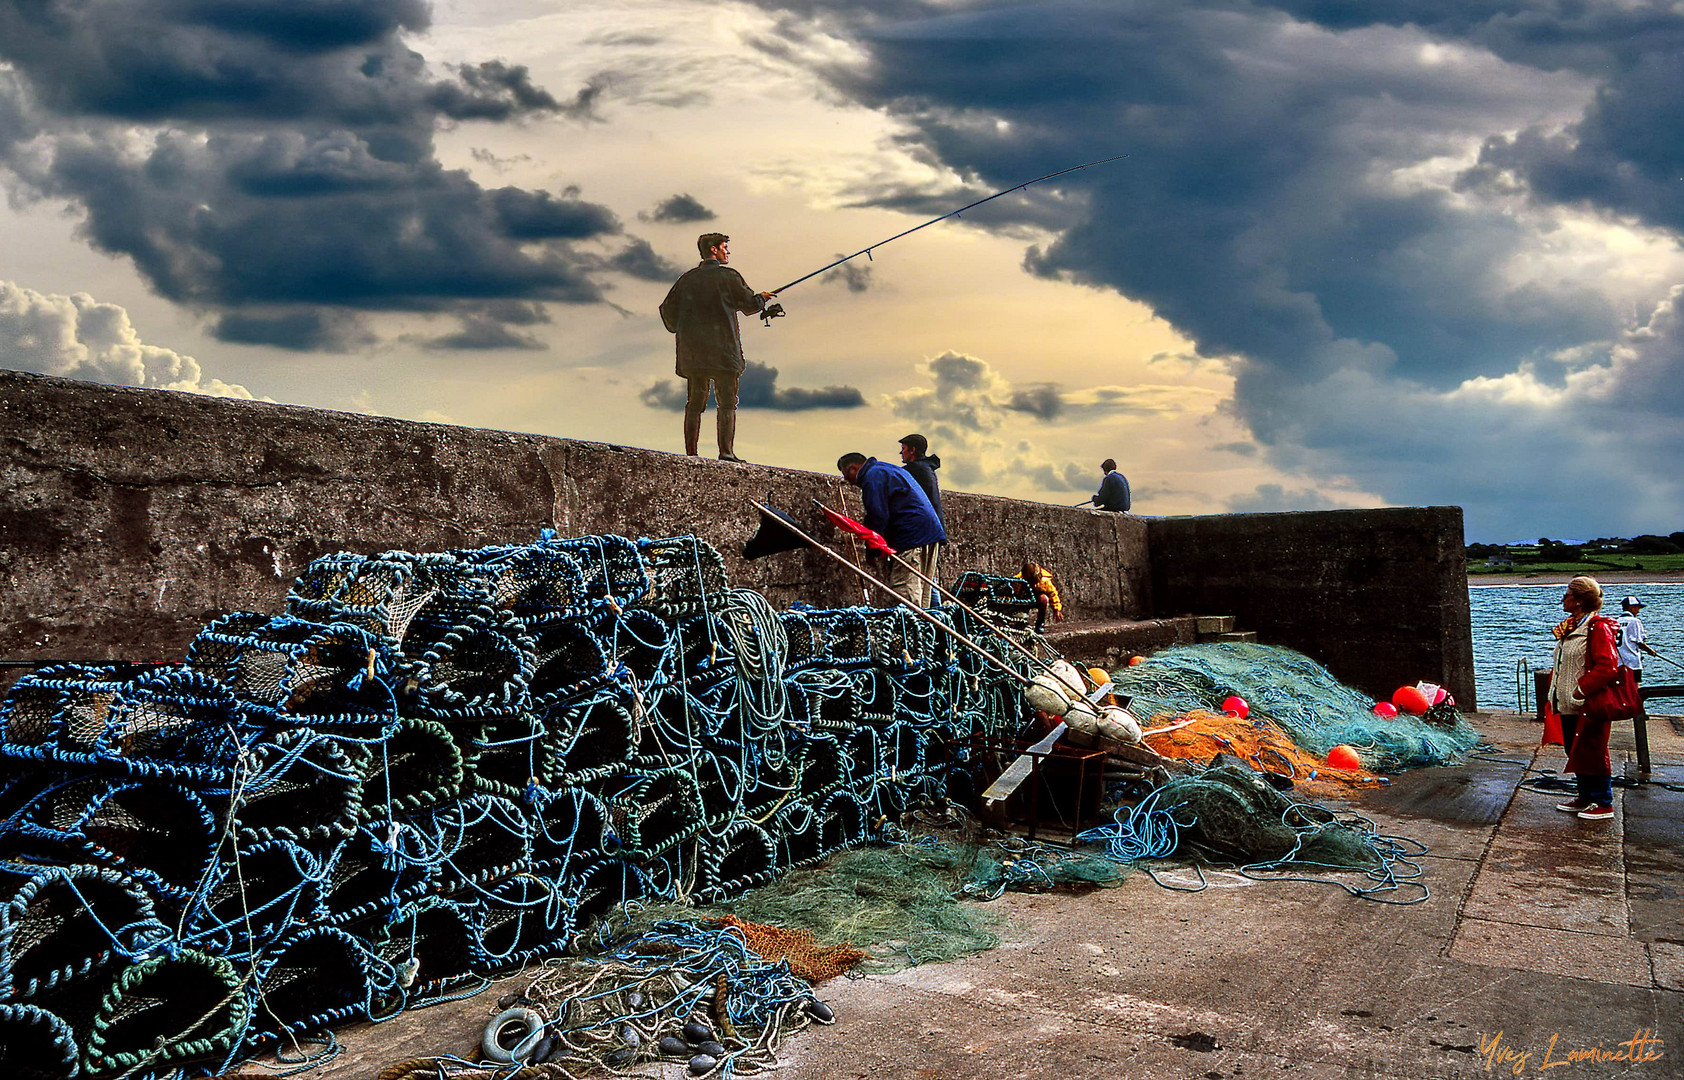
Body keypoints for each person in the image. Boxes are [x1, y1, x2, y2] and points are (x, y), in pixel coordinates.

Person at [658, 233, 774, 463]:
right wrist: (761, 298)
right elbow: (749, 305)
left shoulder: (686, 280)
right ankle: (726, 453)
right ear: (713, 250)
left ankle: (691, 454)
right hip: (723, 352)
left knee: (695, 401)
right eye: (724, 247)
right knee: (727, 401)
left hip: (693, 353)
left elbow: (666, 310)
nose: (727, 252)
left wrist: (680, 328)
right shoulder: (729, 277)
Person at [1546, 576, 1620, 821]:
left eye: (1567, 594)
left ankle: (1603, 801)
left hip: (1586, 703)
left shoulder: (1597, 627)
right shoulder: (1572, 626)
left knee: (1593, 750)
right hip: (1568, 703)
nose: (1563, 598)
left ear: (1578, 600)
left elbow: (1607, 666)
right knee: (1575, 749)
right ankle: (1586, 796)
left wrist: (1580, 690)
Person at [837, 451, 946, 606]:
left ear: (854, 468)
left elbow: (877, 515)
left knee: (904, 590)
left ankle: (911, 628)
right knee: (925, 589)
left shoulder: (872, 477)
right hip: (930, 531)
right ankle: (938, 628)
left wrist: (872, 550)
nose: (848, 481)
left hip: (911, 535)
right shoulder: (886, 469)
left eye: (846, 475)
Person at [1616, 595, 1660, 682]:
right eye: (1637, 608)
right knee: (1635, 688)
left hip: (1618, 662)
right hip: (1632, 662)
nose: (1638, 611)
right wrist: (1650, 651)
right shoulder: (1635, 621)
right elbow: (1639, 641)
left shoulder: (1616, 621)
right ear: (1632, 608)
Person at [1019, 560, 1064, 633]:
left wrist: (1056, 609)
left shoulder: (1045, 581)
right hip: (1022, 598)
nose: (1034, 585)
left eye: (1035, 583)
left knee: (1044, 599)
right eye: (1031, 583)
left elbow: (1053, 594)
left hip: (1037, 597)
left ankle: (1040, 623)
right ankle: (1020, 621)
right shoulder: (1018, 581)